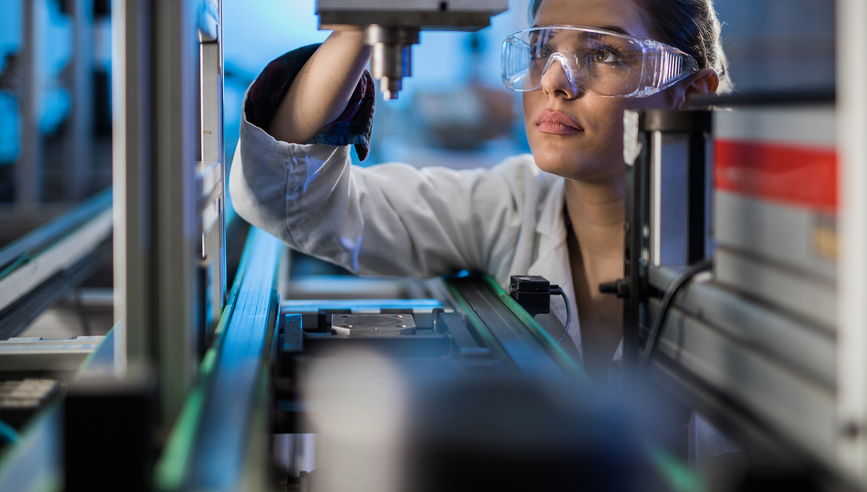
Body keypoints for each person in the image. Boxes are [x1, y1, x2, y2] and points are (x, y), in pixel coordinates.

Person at [229, 0, 730, 383]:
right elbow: (283, 192)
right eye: (542, 50)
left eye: (603, 53)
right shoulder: (509, 205)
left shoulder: (762, 257)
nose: (555, 81)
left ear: (691, 94)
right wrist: (364, 23)